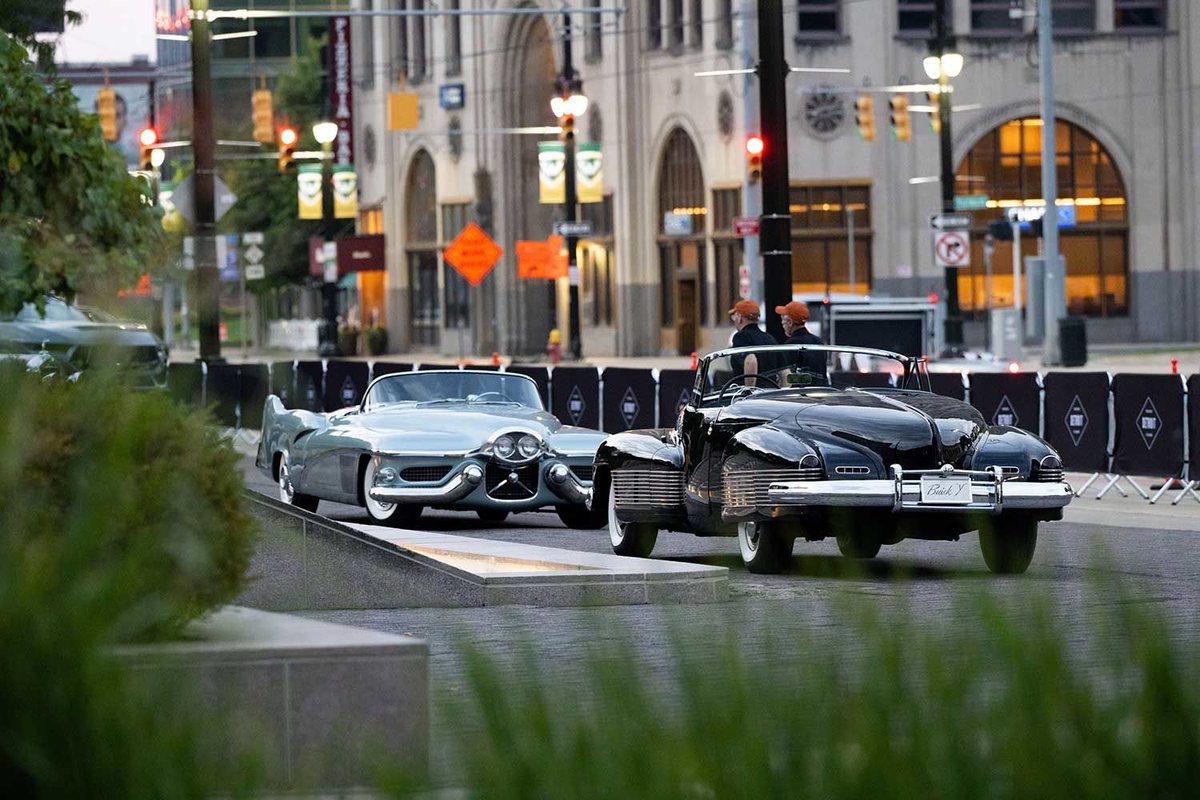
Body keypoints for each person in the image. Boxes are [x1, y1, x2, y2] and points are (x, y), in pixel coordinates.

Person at [728, 299, 776, 384]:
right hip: (772, 391)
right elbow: (784, 371)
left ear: (739, 317)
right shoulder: (769, 338)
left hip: (752, 391)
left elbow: (750, 360)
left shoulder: (741, 337)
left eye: (735, 316)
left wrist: (749, 389)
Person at [774, 301, 827, 379]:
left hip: (801, 387)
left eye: (783, 320)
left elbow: (788, 377)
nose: (782, 323)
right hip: (821, 386)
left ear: (790, 322)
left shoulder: (790, 346)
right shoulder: (819, 342)